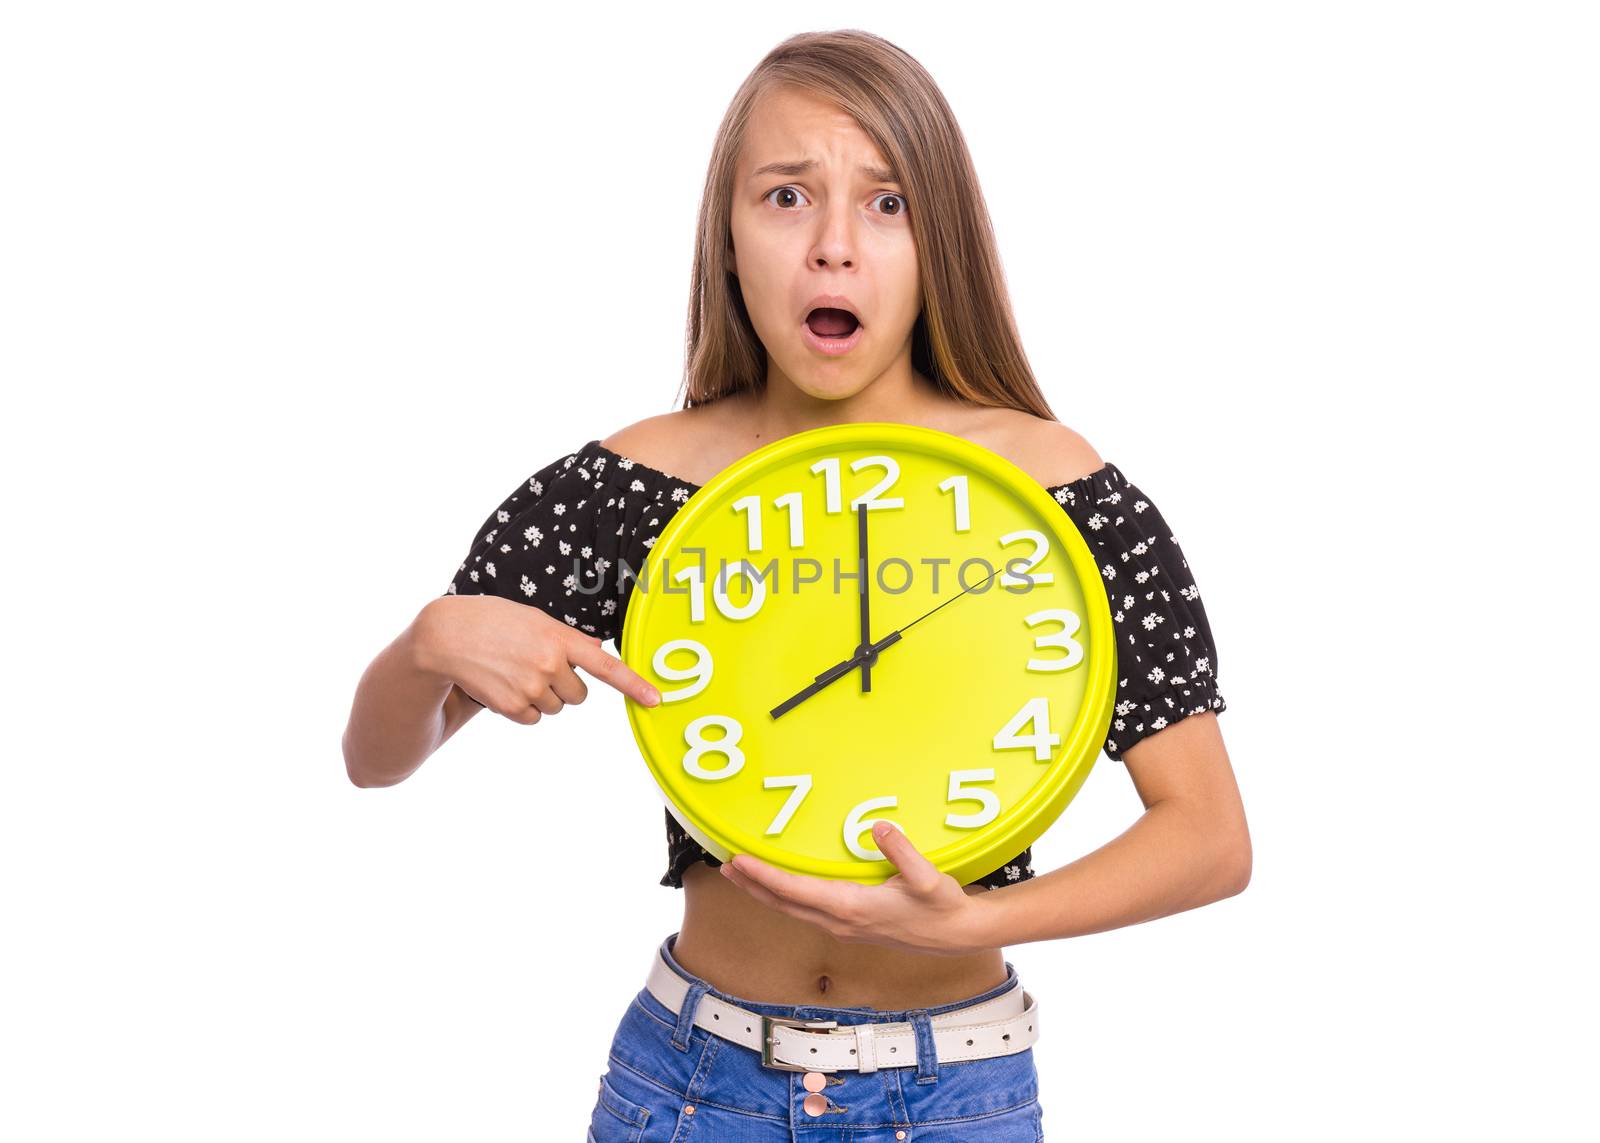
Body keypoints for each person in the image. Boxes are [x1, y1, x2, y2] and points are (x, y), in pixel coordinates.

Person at [342, 30, 1250, 1141]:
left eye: (886, 203)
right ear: (727, 238)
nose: (832, 247)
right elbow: (375, 760)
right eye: (785, 196)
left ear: (941, 243)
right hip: (688, 1084)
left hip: (955, 1090)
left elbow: (1208, 835)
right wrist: (428, 641)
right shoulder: (637, 483)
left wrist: (970, 915)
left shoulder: (1052, 493)